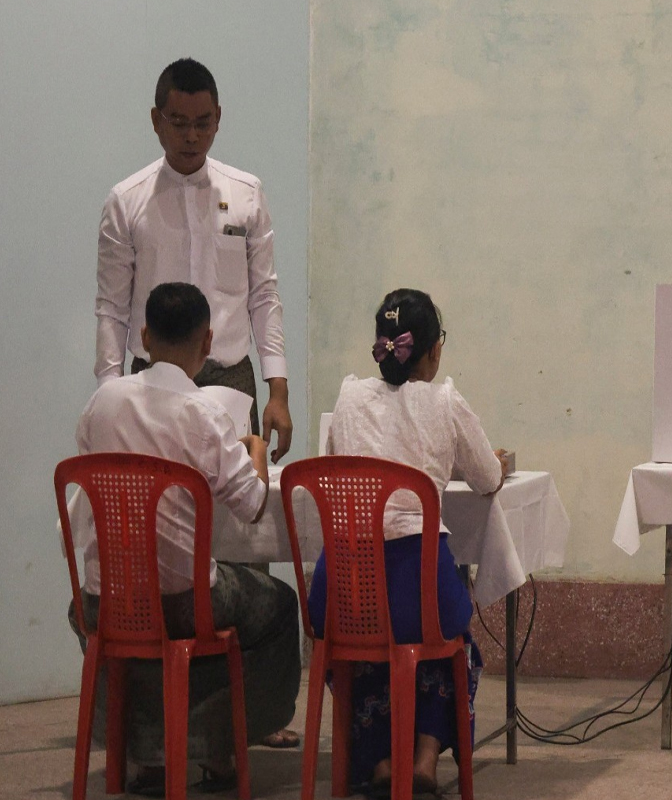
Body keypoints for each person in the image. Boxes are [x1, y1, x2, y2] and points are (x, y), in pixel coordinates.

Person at [69, 283, 301, 796]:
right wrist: (255, 452)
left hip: (101, 600)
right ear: (208, 341)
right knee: (276, 606)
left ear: (145, 336)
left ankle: (146, 752)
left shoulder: (101, 403)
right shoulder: (203, 414)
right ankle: (222, 748)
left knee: (111, 622)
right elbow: (251, 503)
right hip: (181, 603)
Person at [308, 288, 509, 798]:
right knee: (453, 646)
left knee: (365, 649)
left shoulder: (349, 396)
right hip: (413, 583)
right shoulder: (443, 400)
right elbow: (486, 478)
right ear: (434, 350)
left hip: (342, 590)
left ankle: (377, 764)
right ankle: (422, 764)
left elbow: (335, 461)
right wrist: (498, 463)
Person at [94, 57, 293, 465]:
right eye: (179, 123)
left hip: (230, 374)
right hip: (150, 377)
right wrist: (109, 393)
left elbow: (264, 295)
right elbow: (112, 308)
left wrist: (278, 390)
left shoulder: (247, 194)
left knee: (237, 514)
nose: (191, 136)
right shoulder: (126, 201)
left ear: (219, 118)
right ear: (156, 120)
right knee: (155, 501)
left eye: (203, 123)